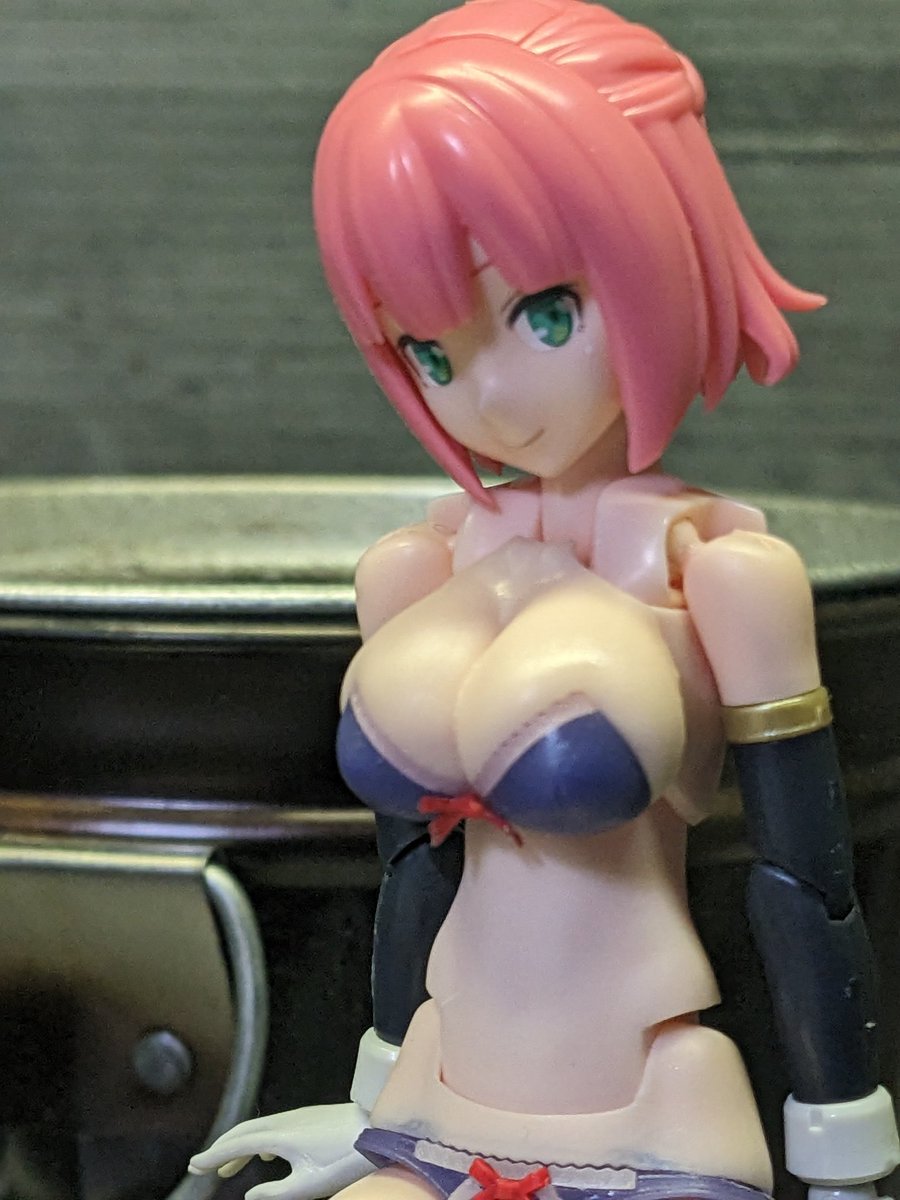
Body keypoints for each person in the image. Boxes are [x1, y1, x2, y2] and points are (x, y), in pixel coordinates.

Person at [190, 3, 900, 1199]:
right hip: (442, 1081)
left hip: (649, 1108)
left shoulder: (715, 571)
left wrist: (844, 1151)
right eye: (429, 352)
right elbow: (413, 865)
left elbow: (805, 884)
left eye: (544, 315)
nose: (489, 398)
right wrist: (369, 1104)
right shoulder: (423, 568)